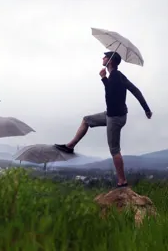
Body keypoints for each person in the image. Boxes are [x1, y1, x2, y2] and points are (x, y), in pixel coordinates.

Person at [54, 51, 152, 188]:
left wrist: (103, 78)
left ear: (110, 61)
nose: (103, 58)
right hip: (112, 114)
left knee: (114, 149)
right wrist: (105, 79)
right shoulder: (116, 76)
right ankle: (70, 146)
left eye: (105, 56)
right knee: (86, 120)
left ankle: (122, 182)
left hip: (115, 117)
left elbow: (125, 92)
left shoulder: (116, 76)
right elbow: (119, 93)